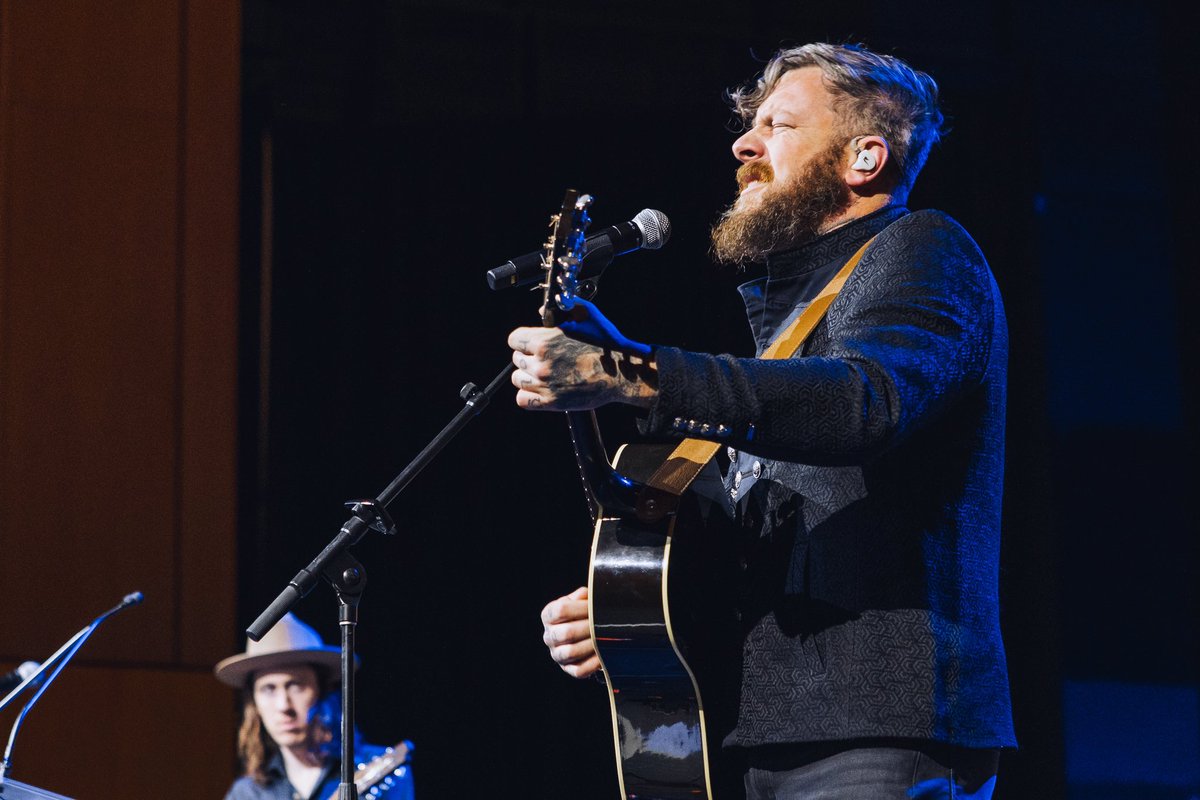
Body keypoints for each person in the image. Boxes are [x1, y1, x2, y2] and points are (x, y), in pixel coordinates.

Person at [509, 42, 1015, 798]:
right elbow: (768, 537)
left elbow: (861, 405)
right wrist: (630, 599)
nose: (744, 144)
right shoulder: (791, 328)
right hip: (757, 730)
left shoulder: (924, 248)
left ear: (864, 158)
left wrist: (632, 374)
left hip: (880, 725)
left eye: (777, 124)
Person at [214, 613, 414, 800]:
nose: (284, 705)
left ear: (322, 691)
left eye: (295, 686)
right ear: (254, 703)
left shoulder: (373, 765)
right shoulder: (248, 793)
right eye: (268, 689)